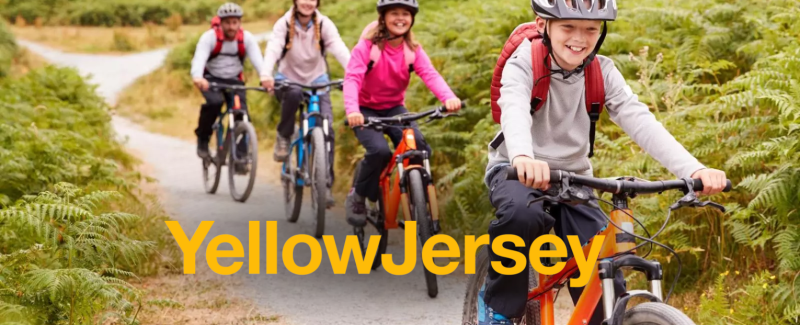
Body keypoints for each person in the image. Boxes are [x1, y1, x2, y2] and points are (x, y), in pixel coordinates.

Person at [478, 0, 729, 324]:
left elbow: (641, 121)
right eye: (568, 27)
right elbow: (513, 106)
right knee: (521, 216)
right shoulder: (524, 61)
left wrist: (693, 169)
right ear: (543, 26)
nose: (579, 38)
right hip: (515, 169)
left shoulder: (601, 71)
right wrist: (524, 156)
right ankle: (497, 308)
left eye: (591, 29)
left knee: (601, 263)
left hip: (574, 180)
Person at [342, 0, 462, 227]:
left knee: (419, 147)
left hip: (394, 108)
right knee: (379, 151)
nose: (400, 18)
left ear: (412, 18)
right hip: (364, 110)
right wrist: (353, 110)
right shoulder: (367, 47)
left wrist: (448, 98)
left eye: (405, 14)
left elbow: (430, 74)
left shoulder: (412, 50)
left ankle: (420, 199)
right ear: (383, 18)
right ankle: (357, 195)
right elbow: (352, 78)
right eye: (394, 13)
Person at [260, 0, 351, 208]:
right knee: (292, 93)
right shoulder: (283, 24)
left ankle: (325, 184)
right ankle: (284, 135)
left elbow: (339, 48)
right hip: (288, 79)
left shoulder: (323, 24)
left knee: (327, 128)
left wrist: (354, 72)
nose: (307, 2)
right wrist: (266, 73)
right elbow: (273, 48)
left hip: (318, 79)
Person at [190, 2, 265, 167]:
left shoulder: (246, 38)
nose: (231, 26)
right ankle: (203, 139)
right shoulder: (209, 37)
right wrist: (198, 77)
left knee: (241, 114)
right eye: (227, 22)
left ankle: (240, 157)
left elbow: (259, 62)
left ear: (240, 23)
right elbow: (199, 59)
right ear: (220, 22)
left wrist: (267, 78)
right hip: (211, 79)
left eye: (235, 22)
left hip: (234, 80)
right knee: (214, 103)